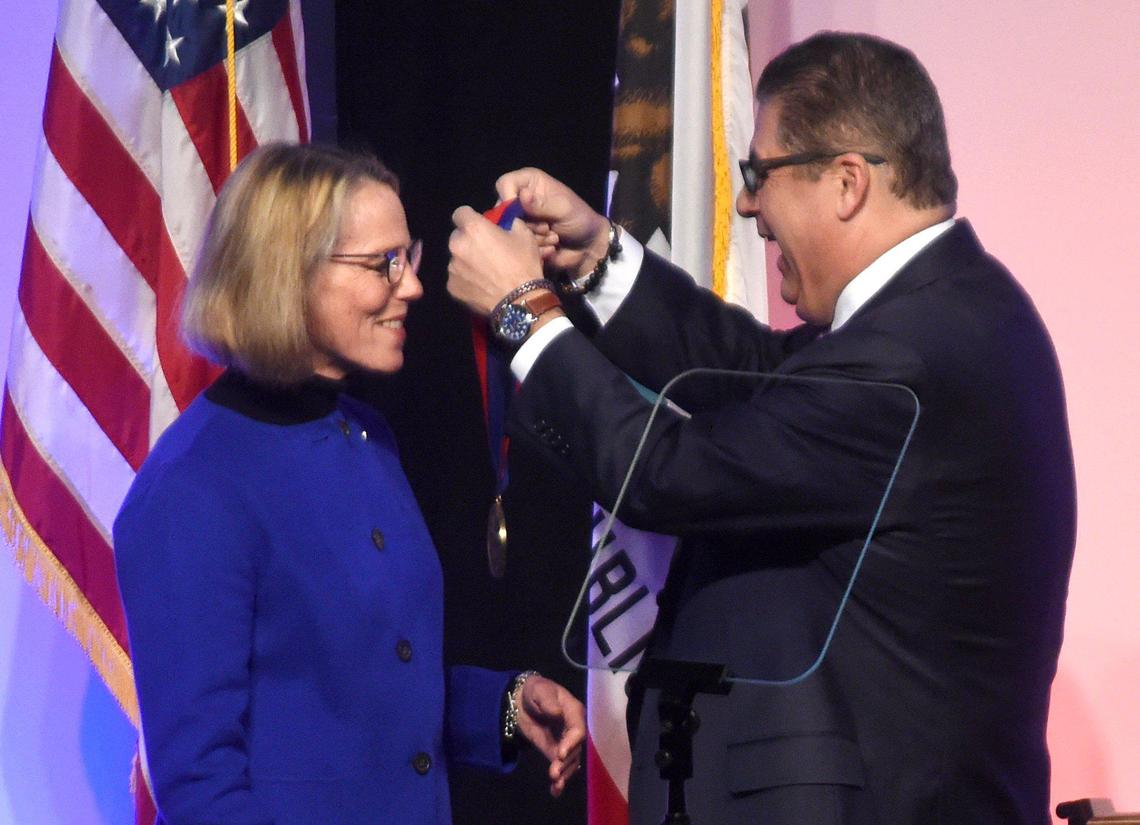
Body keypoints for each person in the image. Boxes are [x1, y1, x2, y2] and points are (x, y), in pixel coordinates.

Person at [446, 31, 1075, 825]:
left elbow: (668, 473)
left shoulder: (912, 355)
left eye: (760, 174)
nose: (747, 205)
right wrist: (597, 260)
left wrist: (524, 312)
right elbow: (751, 370)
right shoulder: (941, 315)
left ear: (846, 182)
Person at [113, 143, 584, 825]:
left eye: (409, 255)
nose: (413, 287)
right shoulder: (193, 489)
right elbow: (201, 782)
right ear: (288, 275)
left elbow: (362, 686)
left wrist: (506, 705)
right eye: (382, 264)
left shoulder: (366, 435)